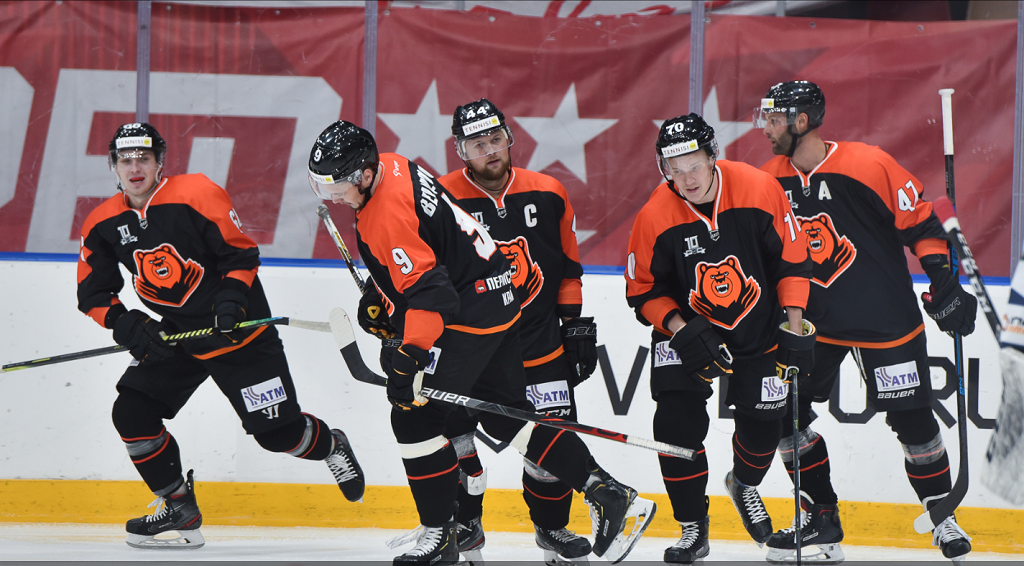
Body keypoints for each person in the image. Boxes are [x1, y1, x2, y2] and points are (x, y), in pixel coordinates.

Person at [307, 120, 654, 564]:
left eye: (336, 186)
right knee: (505, 417)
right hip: (500, 301)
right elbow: (433, 243)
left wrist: (411, 354)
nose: (333, 196)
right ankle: (609, 492)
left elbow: (432, 294)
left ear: (364, 173)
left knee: (414, 418)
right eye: (323, 186)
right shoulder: (395, 165)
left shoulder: (382, 214)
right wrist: (386, 294)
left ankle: (441, 537)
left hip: (466, 316)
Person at [77, 123, 366, 549]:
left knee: (278, 435)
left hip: (239, 334)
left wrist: (231, 301)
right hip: (178, 337)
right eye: (126, 160)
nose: (135, 168)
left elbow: (240, 255)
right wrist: (128, 325)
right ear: (113, 166)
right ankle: (178, 506)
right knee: (132, 414)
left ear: (160, 162)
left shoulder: (196, 193)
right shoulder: (102, 222)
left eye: (144, 158)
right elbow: (92, 294)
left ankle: (332, 445)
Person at [755, 80, 978, 564]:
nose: (765, 129)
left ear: (801, 121)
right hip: (810, 325)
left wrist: (944, 284)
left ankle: (941, 516)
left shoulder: (868, 164)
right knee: (783, 414)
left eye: (773, 119)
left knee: (914, 423)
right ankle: (821, 518)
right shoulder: (767, 180)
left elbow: (922, 224)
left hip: (883, 320)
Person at [625, 113, 814, 564]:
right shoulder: (654, 214)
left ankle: (743, 484)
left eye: (694, 165)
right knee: (674, 426)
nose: (687, 179)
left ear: (713, 157)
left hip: (759, 326)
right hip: (684, 330)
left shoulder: (758, 189)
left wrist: (794, 326)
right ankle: (693, 528)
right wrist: (681, 329)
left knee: (764, 429)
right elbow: (642, 291)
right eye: (675, 169)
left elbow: (792, 261)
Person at [436, 98, 598, 563]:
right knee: (456, 447)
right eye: (477, 144)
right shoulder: (440, 199)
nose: (490, 150)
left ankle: (552, 528)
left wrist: (574, 326)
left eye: (495, 139)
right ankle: (465, 526)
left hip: (540, 347)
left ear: (509, 138)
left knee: (550, 450)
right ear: (460, 151)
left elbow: (568, 268)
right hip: (470, 354)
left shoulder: (548, 191)